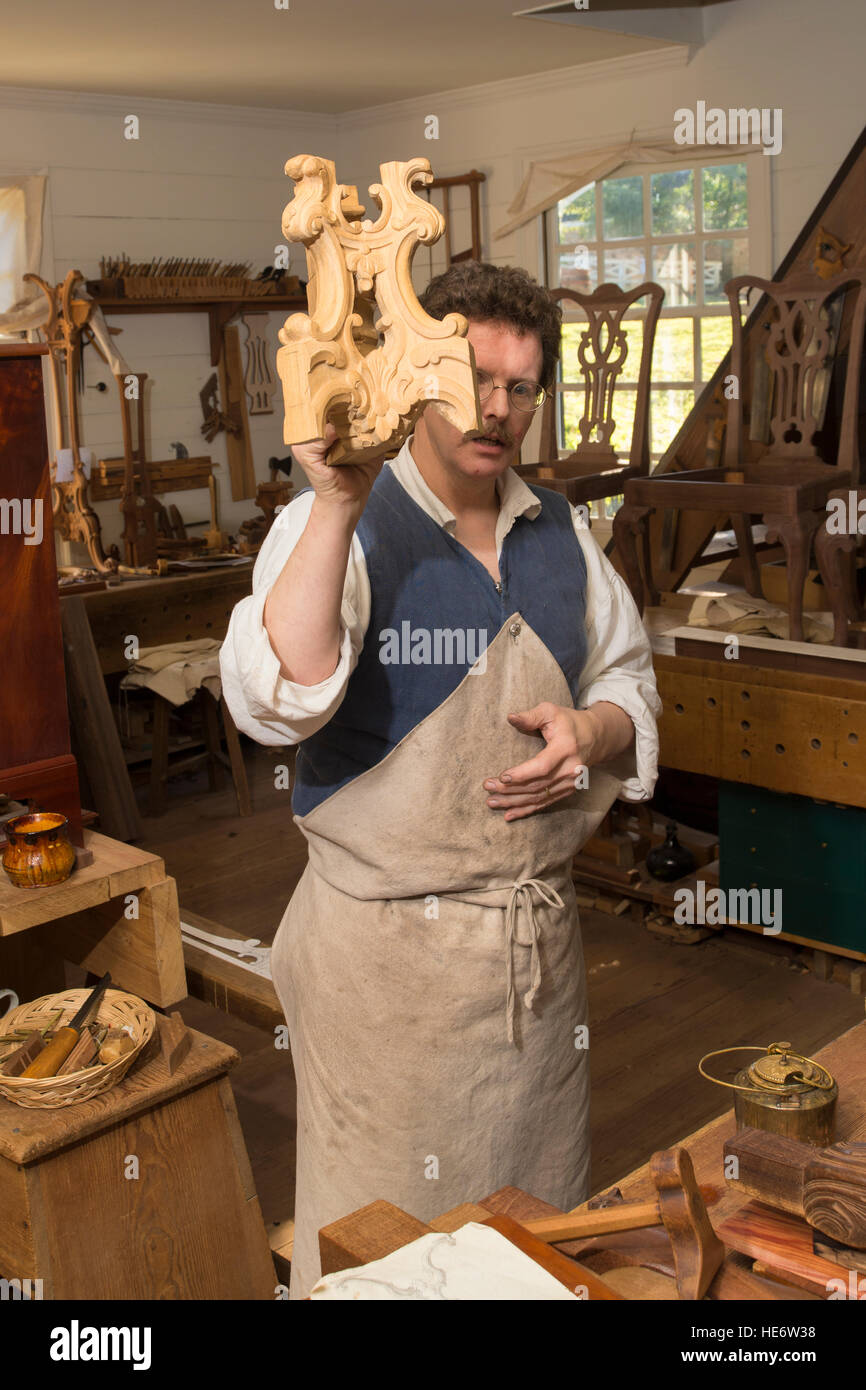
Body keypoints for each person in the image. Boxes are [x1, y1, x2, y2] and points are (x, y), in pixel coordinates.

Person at [220, 261, 661, 1298]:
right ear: (417, 378)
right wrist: (333, 503)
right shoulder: (344, 520)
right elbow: (274, 694)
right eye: (471, 378)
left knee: (538, 1243)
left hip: (532, 966)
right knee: (393, 1258)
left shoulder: (560, 532)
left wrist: (589, 730)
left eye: (517, 387)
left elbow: (629, 683)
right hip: (387, 983)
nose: (494, 409)